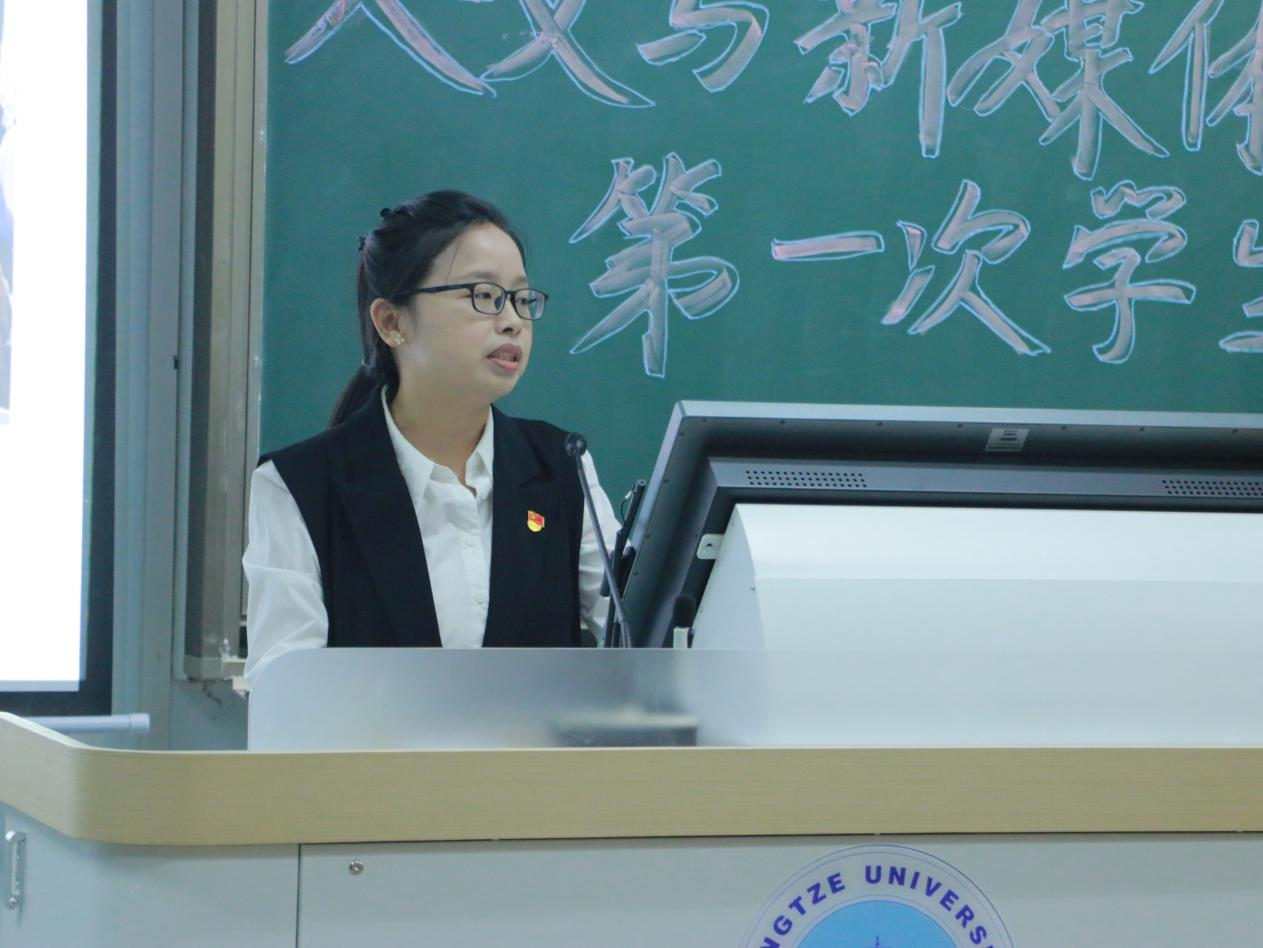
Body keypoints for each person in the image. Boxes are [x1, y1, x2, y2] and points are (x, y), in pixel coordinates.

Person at [242, 191, 619, 688]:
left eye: (521, 299)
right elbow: (284, 694)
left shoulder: (561, 467)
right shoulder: (300, 487)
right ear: (392, 322)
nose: (512, 320)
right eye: (483, 295)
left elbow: (642, 638)